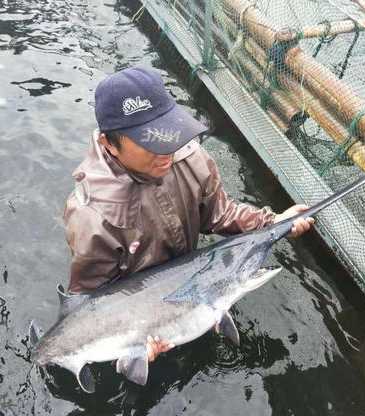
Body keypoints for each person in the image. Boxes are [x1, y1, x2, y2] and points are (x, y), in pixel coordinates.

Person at [63, 66, 313, 362]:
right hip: (140, 306)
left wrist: (273, 222)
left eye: (169, 131)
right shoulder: (89, 216)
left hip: (193, 278)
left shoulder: (190, 157)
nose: (166, 151)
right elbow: (91, 299)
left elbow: (220, 213)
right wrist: (133, 339)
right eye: (149, 141)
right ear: (109, 144)